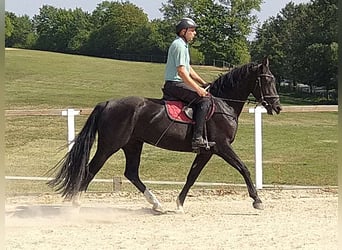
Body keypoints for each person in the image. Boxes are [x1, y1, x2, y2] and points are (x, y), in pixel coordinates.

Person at [163, 17, 215, 152]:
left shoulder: (183, 45)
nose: (194, 33)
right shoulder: (179, 46)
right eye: (192, 30)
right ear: (183, 31)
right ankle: (197, 138)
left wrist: (203, 83)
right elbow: (181, 72)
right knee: (205, 100)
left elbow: (189, 69)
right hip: (175, 84)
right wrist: (198, 89)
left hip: (178, 83)